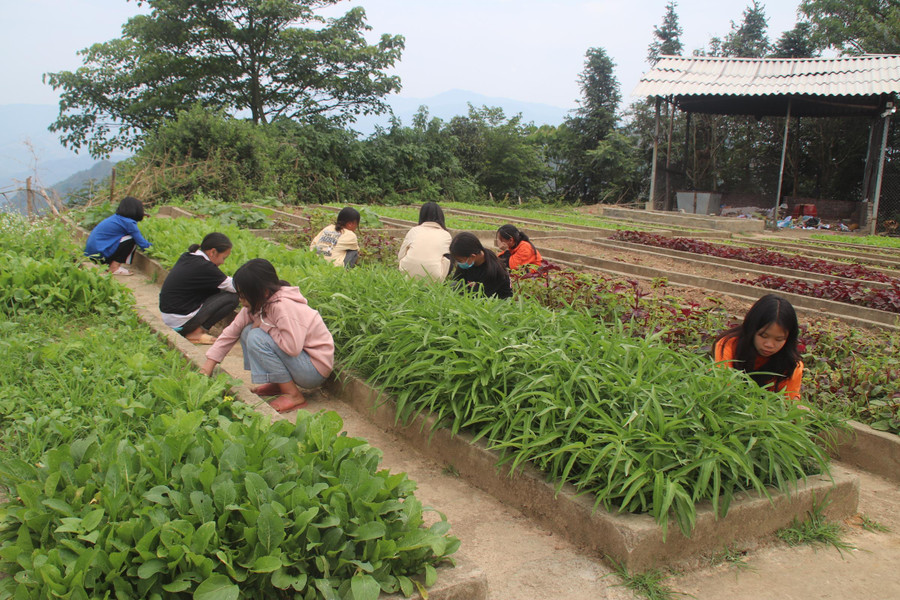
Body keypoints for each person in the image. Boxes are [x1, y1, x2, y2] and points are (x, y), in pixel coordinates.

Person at [201, 258, 334, 413]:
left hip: (313, 369)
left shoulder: (283, 307)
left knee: (256, 336)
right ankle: (279, 383)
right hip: (300, 362)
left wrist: (264, 326)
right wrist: (207, 367)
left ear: (263, 292)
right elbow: (231, 332)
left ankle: (293, 395)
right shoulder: (257, 303)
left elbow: (292, 348)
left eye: (244, 296)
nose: (240, 301)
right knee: (246, 331)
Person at [713, 294, 803, 401]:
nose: (769, 345)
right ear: (752, 329)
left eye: (779, 339)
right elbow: (721, 388)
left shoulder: (791, 365)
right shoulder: (729, 345)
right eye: (763, 336)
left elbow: (790, 403)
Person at [158, 232, 239, 344]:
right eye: (223, 258)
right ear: (213, 252)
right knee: (232, 298)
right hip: (181, 321)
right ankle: (196, 332)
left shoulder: (188, 257)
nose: (222, 262)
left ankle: (194, 330)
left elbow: (223, 282)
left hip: (170, 317)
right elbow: (236, 286)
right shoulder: (205, 267)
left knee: (217, 289)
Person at [83, 196, 151, 275]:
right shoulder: (129, 223)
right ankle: (114, 267)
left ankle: (109, 264)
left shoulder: (117, 218)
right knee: (131, 239)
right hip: (100, 254)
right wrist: (152, 248)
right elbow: (142, 243)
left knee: (125, 237)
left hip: (92, 254)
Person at [398, 201, 452, 280]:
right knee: (449, 254)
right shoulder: (446, 235)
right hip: (435, 278)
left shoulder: (414, 231)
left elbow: (401, 256)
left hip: (407, 275)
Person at [448, 232, 512, 299]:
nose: (459, 263)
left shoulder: (494, 270)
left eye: (460, 261)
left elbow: (484, 297)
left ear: (473, 256)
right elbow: (456, 282)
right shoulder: (467, 261)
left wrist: (474, 287)